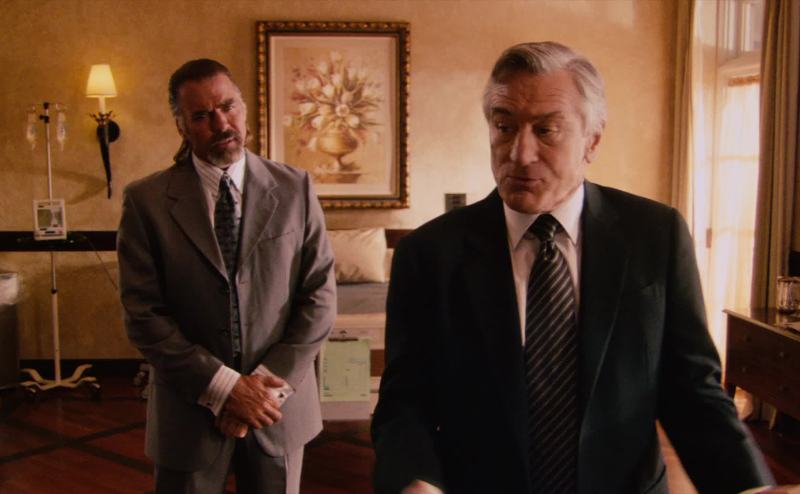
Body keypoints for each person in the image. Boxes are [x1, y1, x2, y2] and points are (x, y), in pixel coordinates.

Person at [371, 42, 776, 494]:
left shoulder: (654, 235)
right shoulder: (429, 253)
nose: (519, 153)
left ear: (592, 140)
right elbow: (405, 402)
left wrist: (749, 487)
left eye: (546, 131)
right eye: (504, 127)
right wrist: (415, 480)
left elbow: (692, 390)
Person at [117, 58, 335, 494]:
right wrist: (225, 388)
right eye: (201, 115)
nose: (221, 124)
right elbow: (143, 315)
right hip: (187, 414)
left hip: (277, 411)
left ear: (244, 108)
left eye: (228, 106)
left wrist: (262, 391)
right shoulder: (146, 201)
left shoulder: (295, 188)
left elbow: (319, 297)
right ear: (181, 127)